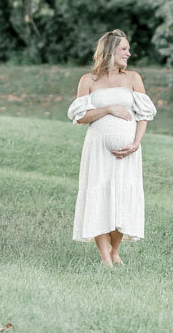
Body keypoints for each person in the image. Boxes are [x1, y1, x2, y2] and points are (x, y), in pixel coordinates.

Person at [67, 29, 157, 265]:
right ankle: (106, 257)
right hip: (97, 152)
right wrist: (108, 109)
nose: (129, 53)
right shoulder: (88, 81)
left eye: (128, 49)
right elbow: (80, 117)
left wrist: (136, 144)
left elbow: (144, 114)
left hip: (127, 153)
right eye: (124, 49)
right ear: (109, 50)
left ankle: (115, 250)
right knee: (99, 194)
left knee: (123, 196)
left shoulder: (133, 78)